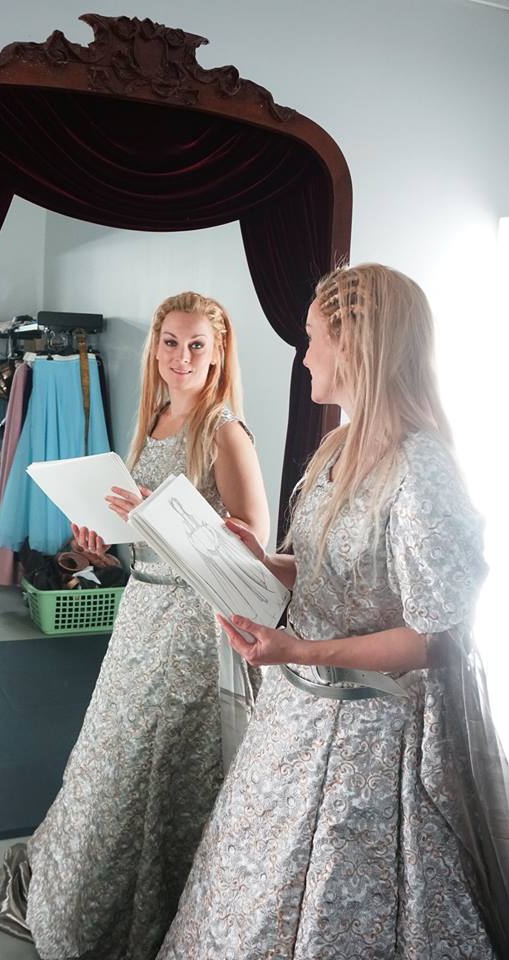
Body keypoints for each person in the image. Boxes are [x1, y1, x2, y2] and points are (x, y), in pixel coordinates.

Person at [157, 264, 509, 959]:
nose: (305, 354)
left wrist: (300, 651)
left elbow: (438, 639)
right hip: (298, 714)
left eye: (313, 337)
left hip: (374, 736)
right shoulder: (339, 445)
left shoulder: (421, 467)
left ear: (356, 344)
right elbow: (328, 569)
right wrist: (266, 563)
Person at [0, 291, 269, 960]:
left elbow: (255, 547)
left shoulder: (224, 430)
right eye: (170, 342)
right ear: (154, 348)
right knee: (110, 754)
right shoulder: (156, 417)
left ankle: (154, 915)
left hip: (191, 623)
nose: (181, 356)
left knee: (157, 763)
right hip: (141, 607)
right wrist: (102, 542)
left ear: (218, 353)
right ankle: (82, 896)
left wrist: (155, 514)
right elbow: (141, 535)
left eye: (197, 345)